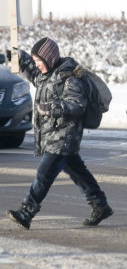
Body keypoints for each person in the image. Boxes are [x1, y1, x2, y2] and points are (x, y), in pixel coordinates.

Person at [5, 38, 113, 230]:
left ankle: (26, 212)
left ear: (49, 58)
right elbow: (35, 75)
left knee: (43, 175)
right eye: (35, 60)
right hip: (56, 136)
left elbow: (77, 105)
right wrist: (20, 58)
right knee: (78, 172)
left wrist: (52, 108)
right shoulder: (49, 74)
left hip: (64, 136)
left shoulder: (70, 77)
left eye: (39, 60)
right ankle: (100, 205)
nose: (37, 64)